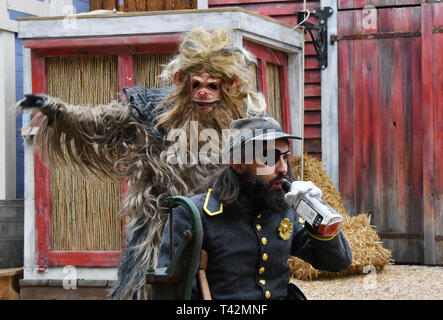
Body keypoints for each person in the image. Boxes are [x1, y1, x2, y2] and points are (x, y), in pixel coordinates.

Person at [17, 28, 267, 299]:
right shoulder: (153, 112)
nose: (203, 93)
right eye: (197, 85)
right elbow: (103, 120)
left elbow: (267, 164)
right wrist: (59, 110)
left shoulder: (245, 122)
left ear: (227, 86)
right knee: (151, 287)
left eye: (212, 86)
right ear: (183, 82)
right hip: (162, 225)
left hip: (225, 224)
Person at [158, 117, 352, 299]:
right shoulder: (195, 214)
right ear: (239, 163)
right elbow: (171, 291)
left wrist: (316, 210)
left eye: (285, 157)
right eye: (269, 158)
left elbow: (338, 262)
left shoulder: (283, 208)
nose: (283, 169)